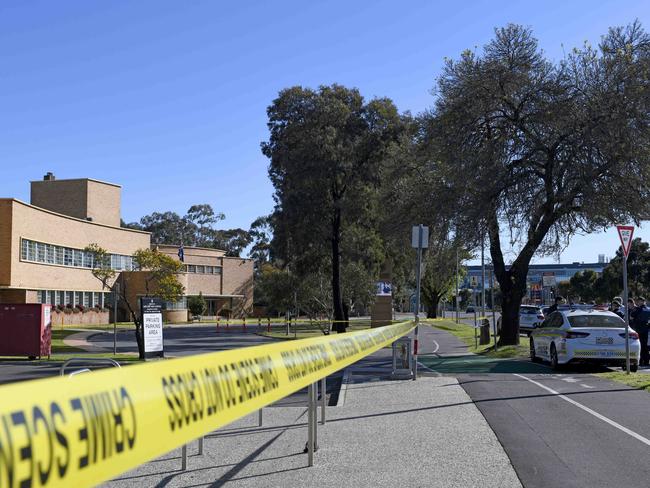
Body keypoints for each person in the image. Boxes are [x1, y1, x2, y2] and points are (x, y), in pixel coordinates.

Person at [632, 297, 650, 367]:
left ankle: (641, 361)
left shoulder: (638, 309)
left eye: (639, 301)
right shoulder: (648, 309)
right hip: (646, 330)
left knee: (640, 346)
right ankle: (646, 361)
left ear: (642, 302)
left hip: (639, 330)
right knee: (645, 346)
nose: (639, 302)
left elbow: (632, 316)